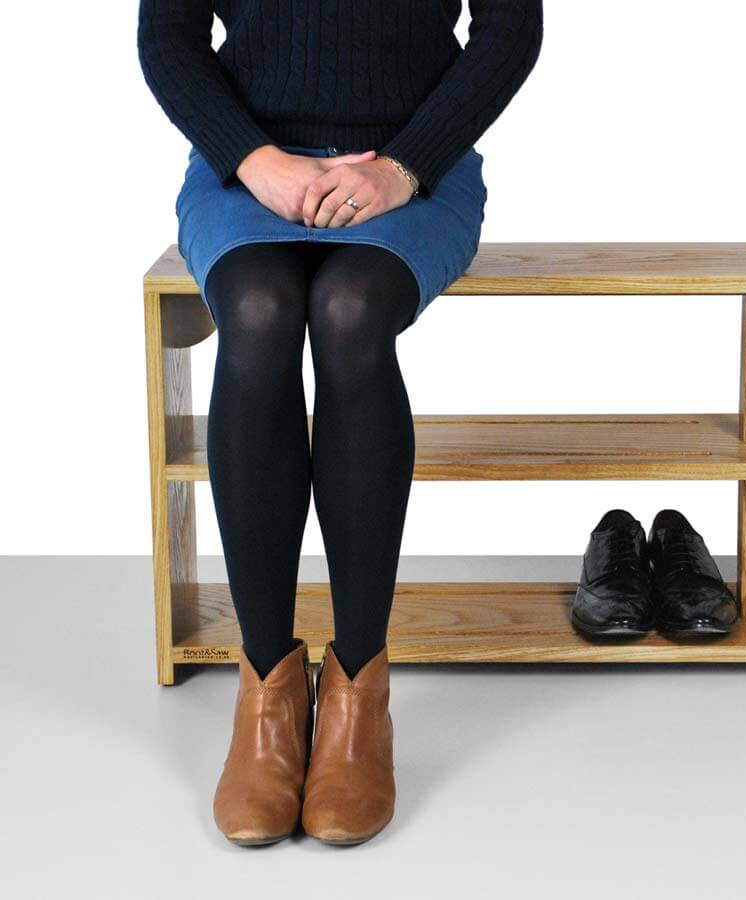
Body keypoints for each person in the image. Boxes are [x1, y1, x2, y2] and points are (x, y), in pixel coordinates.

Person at [137, 0, 543, 846]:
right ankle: (269, 695)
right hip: (245, 172)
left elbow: (511, 30)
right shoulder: (249, 166)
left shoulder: (409, 169)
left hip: (415, 171)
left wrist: (402, 168)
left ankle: (360, 691)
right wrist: (255, 162)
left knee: (350, 310)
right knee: (258, 311)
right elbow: (168, 35)